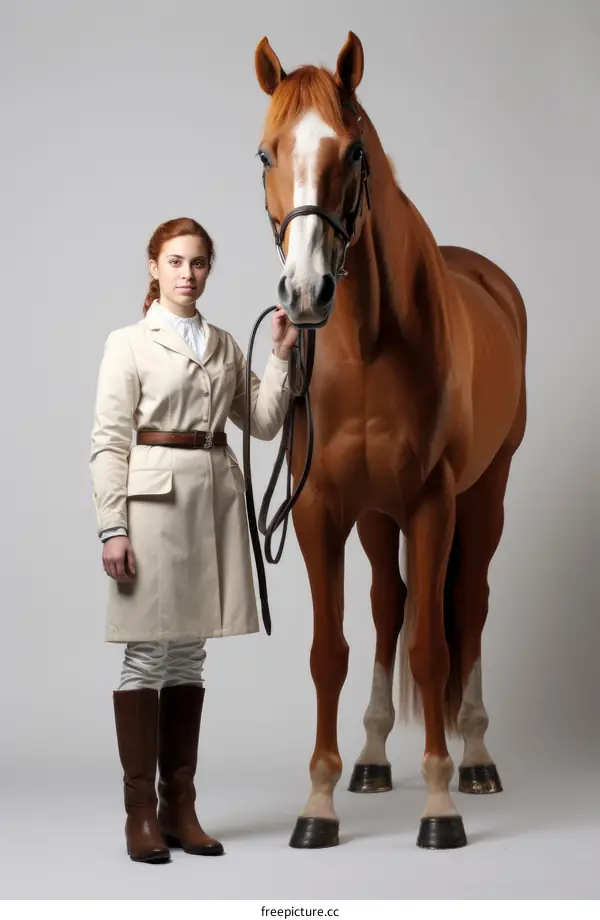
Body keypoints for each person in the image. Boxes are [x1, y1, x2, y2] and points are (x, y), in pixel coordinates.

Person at [89, 217, 296, 863]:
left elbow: (262, 423)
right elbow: (109, 440)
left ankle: (181, 807)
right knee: (146, 656)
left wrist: (281, 355)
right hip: (152, 506)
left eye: (199, 263)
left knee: (188, 656)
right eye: (175, 261)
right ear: (154, 266)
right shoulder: (128, 342)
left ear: (209, 270)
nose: (187, 273)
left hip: (211, 503)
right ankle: (140, 814)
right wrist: (113, 525)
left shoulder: (226, 344)